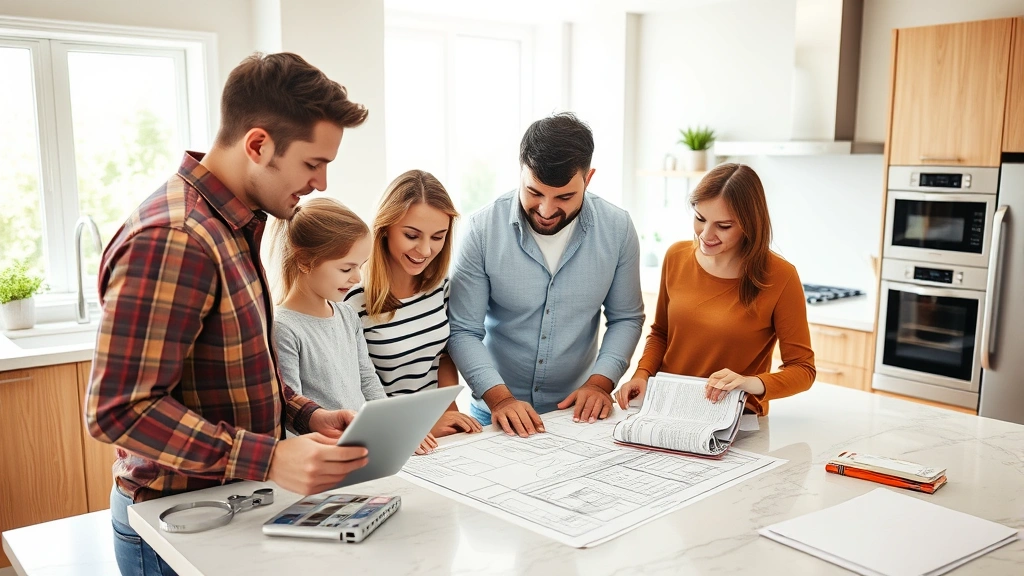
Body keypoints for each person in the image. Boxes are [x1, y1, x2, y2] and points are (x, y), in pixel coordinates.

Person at [85, 52, 371, 576]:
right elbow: (117, 411)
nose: (323, 183)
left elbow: (238, 364)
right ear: (258, 144)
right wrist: (267, 458)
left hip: (231, 506)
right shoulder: (177, 237)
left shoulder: (231, 226)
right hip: (174, 520)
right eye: (313, 163)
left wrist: (306, 414)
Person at [448, 112, 645, 437]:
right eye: (534, 192)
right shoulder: (481, 230)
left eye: (564, 197)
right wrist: (500, 400)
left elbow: (626, 318)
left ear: (589, 178)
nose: (546, 209)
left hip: (577, 415)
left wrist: (600, 383)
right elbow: (463, 331)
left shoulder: (618, 229)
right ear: (520, 173)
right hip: (493, 415)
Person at [614, 163, 816, 415]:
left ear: (749, 224)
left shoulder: (780, 276)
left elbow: (802, 370)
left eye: (723, 226)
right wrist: (642, 374)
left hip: (733, 417)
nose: (706, 234)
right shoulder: (676, 256)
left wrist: (748, 383)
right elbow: (662, 334)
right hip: (666, 406)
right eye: (700, 218)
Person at [270, 196, 437, 454]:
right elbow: (290, 409)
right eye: (347, 268)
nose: (357, 278)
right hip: (325, 454)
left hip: (363, 447)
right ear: (304, 261)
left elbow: (368, 380)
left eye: (360, 267)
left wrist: (395, 428)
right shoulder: (284, 328)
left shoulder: (347, 315)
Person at [343, 170, 482, 437]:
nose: (425, 250)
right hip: (390, 435)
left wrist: (449, 411)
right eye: (412, 235)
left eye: (438, 237)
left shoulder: (440, 288)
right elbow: (355, 389)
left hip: (437, 432)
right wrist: (418, 427)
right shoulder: (352, 301)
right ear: (384, 230)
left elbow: (443, 357)